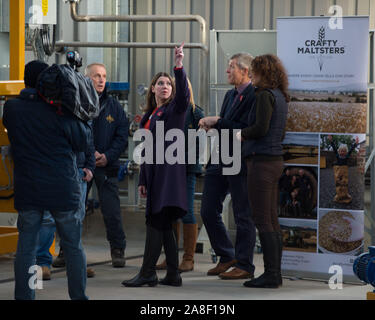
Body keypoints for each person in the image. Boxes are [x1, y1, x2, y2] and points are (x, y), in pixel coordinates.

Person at [3, 60, 91, 300]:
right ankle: (78, 297)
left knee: (27, 249)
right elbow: (82, 142)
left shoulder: (12, 109)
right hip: (63, 188)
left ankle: (26, 296)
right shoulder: (61, 109)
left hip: (29, 189)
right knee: (73, 247)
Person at [122, 43, 190, 287]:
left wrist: (179, 66)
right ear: (152, 88)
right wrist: (142, 180)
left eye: (168, 84)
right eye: (160, 83)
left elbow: (184, 97)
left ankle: (148, 272)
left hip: (168, 177)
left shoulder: (175, 111)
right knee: (163, 225)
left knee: (155, 222)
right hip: (153, 177)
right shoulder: (149, 116)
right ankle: (173, 273)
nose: (165, 86)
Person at [198, 53, 257, 280]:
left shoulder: (254, 96)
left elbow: (247, 129)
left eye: (231, 67)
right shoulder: (230, 95)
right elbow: (226, 128)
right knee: (207, 209)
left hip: (239, 161)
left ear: (245, 70)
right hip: (220, 158)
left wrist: (218, 121)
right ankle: (226, 255)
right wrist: (213, 127)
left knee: (243, 213)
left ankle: (245, 265)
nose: (227, 71)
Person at [68, 62, 129, 268]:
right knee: (74, 212)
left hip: (106, 166)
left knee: (111, 212)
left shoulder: (114, 107)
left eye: (103, 76)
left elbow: (122, 136)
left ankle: (118, 250)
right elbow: (72, 132)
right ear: (87, 79)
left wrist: (108, 156)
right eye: (96, 76)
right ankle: (66, 251)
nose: (101, 80)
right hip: (81, 167)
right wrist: (89, 155)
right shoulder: (76, 103)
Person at [237, 54, 289, 289]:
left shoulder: (264, 96)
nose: (251, 75)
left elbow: (260, 128)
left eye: (254, 71)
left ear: (262, 73)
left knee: (262, 219)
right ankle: (274, 273)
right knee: (272, 220)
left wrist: (242, 134)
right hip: (275, 160)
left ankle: (270, 274)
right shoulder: (280, 95)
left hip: (262, 163)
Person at [155, 78, 204, 272]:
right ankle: (171, 257)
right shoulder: (168, 112)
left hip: (186, 171)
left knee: (187, 212)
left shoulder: (195, 113)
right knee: (170, 212)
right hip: (168, 171)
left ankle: (189, 258)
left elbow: (197, 148)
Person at [36, 123, 95, 280]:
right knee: (48, 219)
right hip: (53, 172)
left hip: (78, 174)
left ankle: (76, 263)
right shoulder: (50, 112)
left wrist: (90, 167)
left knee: (75, 220)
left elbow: (89, 141)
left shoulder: (81, 114)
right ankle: (42, 263)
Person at [327, 135, 359, 204]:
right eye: (341, 151)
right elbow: (334, 148)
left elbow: (351, 150)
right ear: (339, 151)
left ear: (346, 152)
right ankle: (339, 195)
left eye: (344, 151)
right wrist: (331, 141)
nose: (342, 152)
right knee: (338, 184)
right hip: (338, 172)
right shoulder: (337, 156)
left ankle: (345, 195)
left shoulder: (347, 156)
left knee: (344, 184)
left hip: (344, 172)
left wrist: (355, 143)